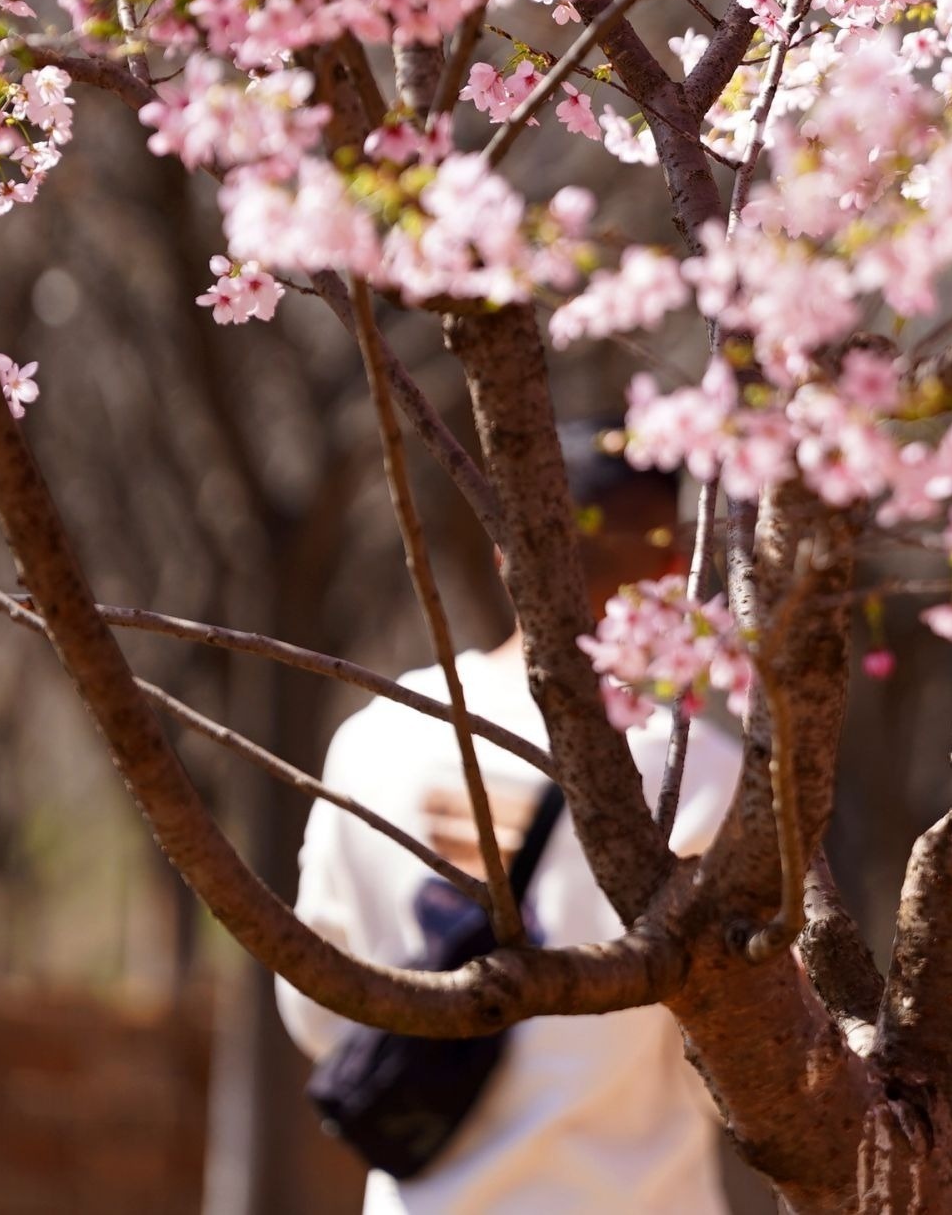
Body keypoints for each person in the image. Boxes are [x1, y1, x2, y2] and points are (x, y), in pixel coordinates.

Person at [280, 425, 744, 1215]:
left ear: (506, 555)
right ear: (674, 577)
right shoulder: (704, 773)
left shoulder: (382, 734)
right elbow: (737, 1065)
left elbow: (320, 1008)